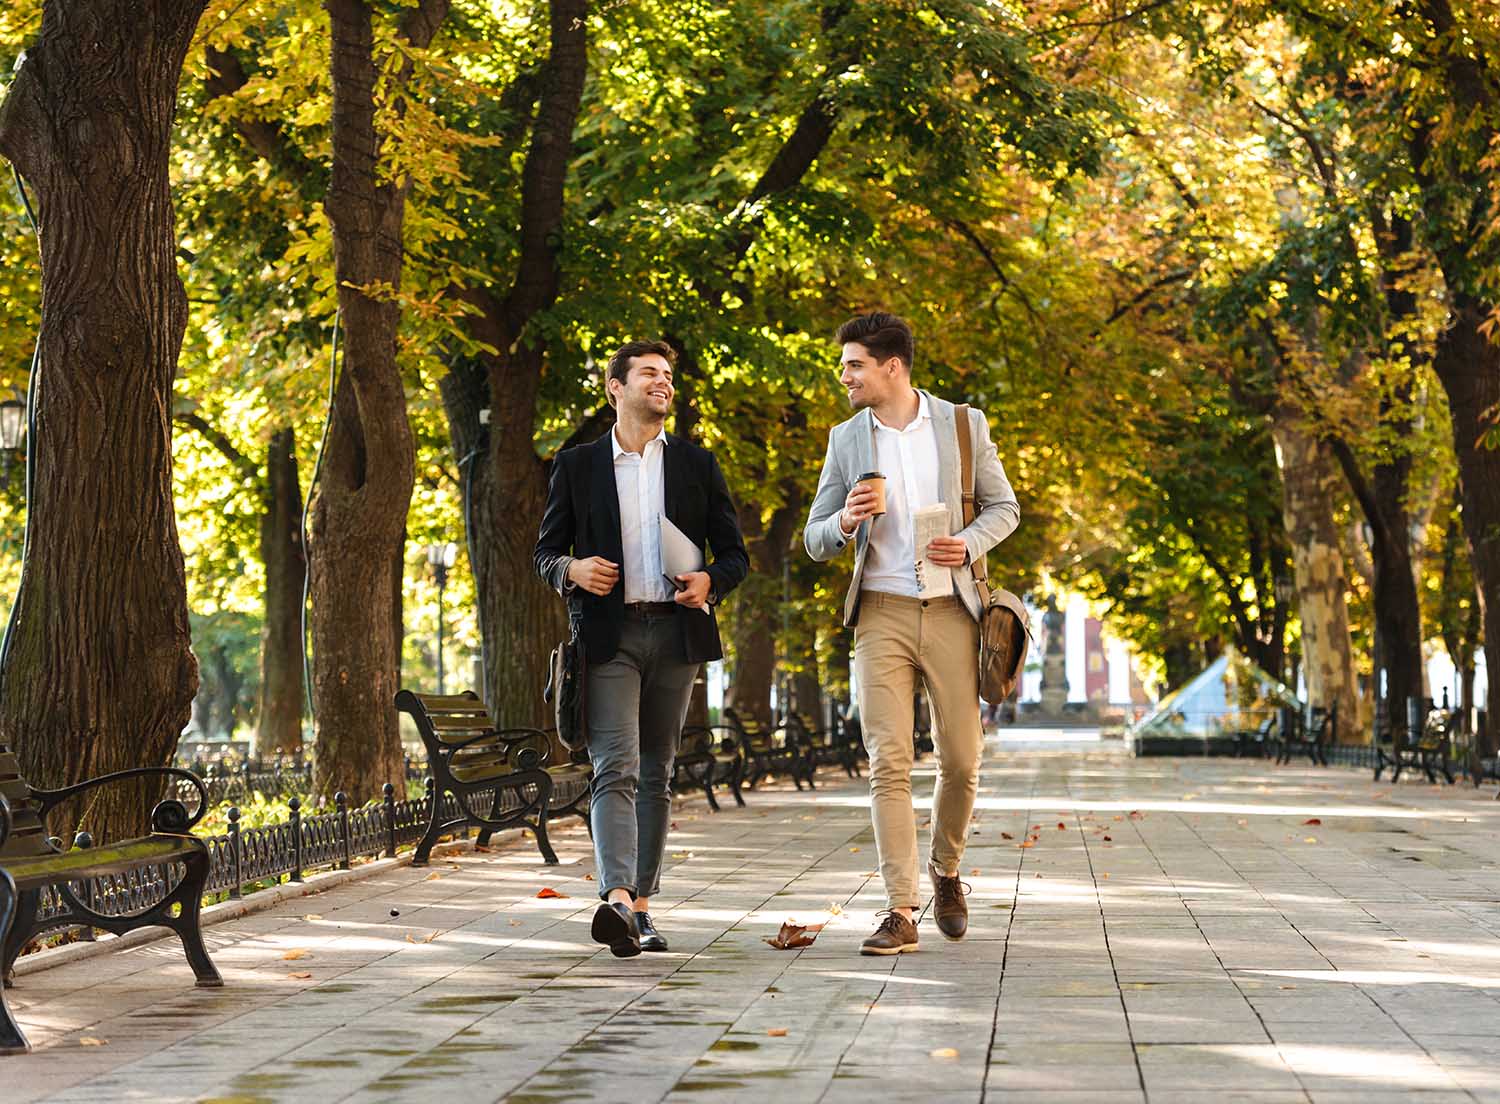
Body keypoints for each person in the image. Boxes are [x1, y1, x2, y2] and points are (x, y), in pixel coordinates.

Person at [804, 311, 1019, 955]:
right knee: (888, 760)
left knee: (961, 758)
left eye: (854, 365)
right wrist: (844, 520)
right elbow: (814, 539)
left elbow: (1006, 507)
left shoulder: (961, 423)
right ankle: (900, 909)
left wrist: (968, 542)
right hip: (880, 612)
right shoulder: (847, 439)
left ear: (891, 366)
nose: (844, 376)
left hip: (953, 610)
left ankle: (945, 870)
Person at [535, 340, 749, 958]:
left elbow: (734, 555)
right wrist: (572, 571)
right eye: (650, 374)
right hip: (610, 637)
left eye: (668, 376)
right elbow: (545, 554)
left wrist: (711, 580)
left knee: (657, 771)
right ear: (615, 389)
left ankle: (643, 910)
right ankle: (618, 898)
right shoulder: (577, 466)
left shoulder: (695, 464)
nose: (664, 383)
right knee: (616, 766)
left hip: (677, 634)